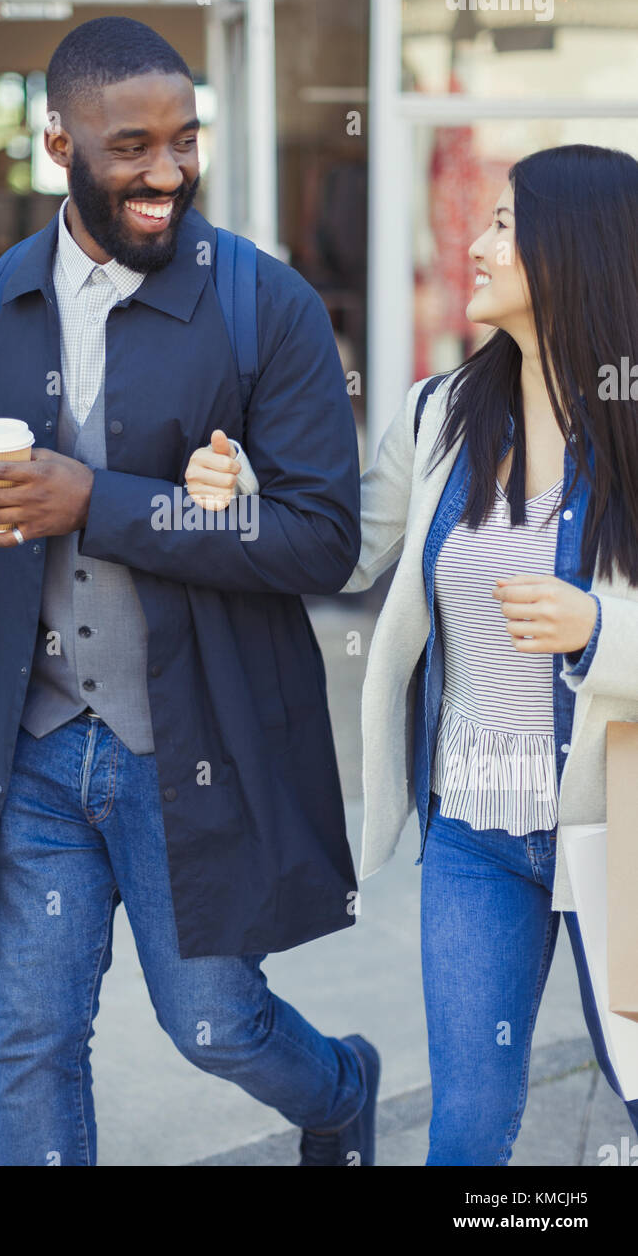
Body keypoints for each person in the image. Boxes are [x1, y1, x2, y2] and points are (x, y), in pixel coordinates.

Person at [0, 16, 380, 1167]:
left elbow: (320, 541)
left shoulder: (265, 306)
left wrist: (98, 499)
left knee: (211, 1025)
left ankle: (340, 1088)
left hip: (185, 745)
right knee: (30, 1040)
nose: (167, 173)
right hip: (33, 747)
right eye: (131, 146)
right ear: (56, 142)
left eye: (184, 141)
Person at [186, 143, 638, 1165]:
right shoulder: (441, 416)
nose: (473, 246)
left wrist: (597, 633)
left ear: (576, 251)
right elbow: (344, 549)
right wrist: (247, 496)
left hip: (620, 827)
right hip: (475, 832)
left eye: (503, 226)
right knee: (466, 1133)